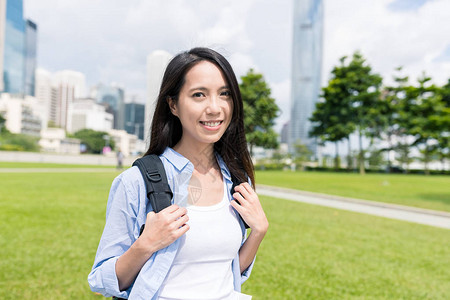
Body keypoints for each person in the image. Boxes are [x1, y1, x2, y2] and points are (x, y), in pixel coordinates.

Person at [88, 47, 268, 300]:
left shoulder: (237, 180)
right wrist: (145, 244)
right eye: (199, 95)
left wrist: (258, 232)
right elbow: (102, 281)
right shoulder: (136, 182)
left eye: (224, 94)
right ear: (173, 104)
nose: (215, 108)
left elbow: (225, 274)